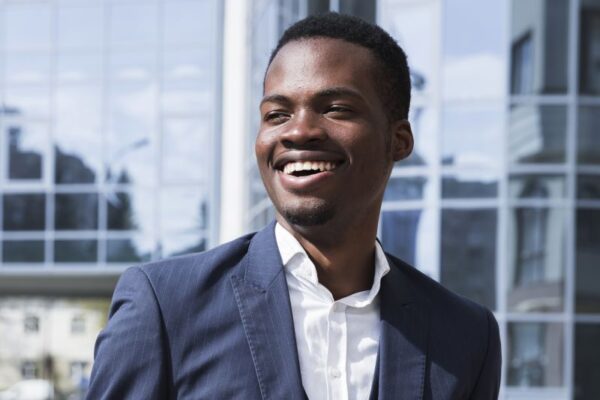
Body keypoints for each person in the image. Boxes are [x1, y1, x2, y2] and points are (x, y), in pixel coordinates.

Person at [87, 12, 501, 400]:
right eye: (277, 114)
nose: (299, 130)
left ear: (399, 140)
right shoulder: (165, 306)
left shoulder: (466, 335)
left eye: (336, 108)